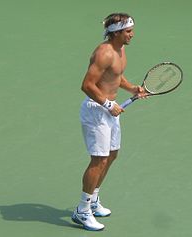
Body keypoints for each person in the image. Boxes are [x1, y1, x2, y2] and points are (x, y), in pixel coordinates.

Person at [71, 13, 147, 231]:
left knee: (112, 155)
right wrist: (107, 104)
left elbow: (116, 77)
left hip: (109, 111)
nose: (132, 35)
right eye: (128, 31)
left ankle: (93, 200)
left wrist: (133, 88)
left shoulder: (120, 50)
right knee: (99, 160)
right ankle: (82, 210)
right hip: (97, 111)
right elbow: (87, 85)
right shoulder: (104, 53)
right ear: (116, 33)